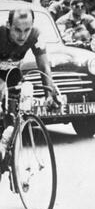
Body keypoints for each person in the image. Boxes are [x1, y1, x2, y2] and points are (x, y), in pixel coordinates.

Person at [0, 9, 59, 151]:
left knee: (16, 110)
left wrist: (49, 92)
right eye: (17, 30)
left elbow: (44, 66)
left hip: (12, 73)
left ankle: (7, 145)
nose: (22, 35)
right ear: (8, 25)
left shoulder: (36, 36)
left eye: (27, 30)